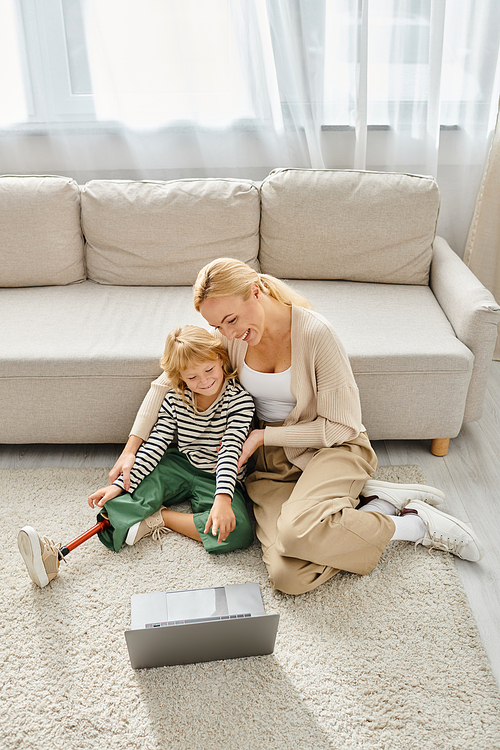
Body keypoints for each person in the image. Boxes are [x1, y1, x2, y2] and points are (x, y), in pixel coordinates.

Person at [109, 258, 483, 596]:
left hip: (332, 448)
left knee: (296, 532)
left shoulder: (317, 335)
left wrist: (265, 435)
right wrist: (131, 449)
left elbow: (342, 425)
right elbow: (166, 382)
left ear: (255, 292)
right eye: (217, 325)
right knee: (288, 577)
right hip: (269, 463)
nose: (226, 332)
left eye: (231, 320)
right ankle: (371, 503)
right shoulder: (231, 334)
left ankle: (416, 526)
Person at [18, 325, 256, 588]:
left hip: (219, 476)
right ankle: (54, 556)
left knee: (240, 530)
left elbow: (231, 451)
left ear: (221, 360)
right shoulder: (175, 399)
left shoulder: (240, 402)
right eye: (193, 377)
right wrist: (118, 485)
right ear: (179, 377)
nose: (204, 381)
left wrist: (223, 499)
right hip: (179, 463)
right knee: (132, 490)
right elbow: (156, 444)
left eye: (209, 370)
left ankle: (159, 518)